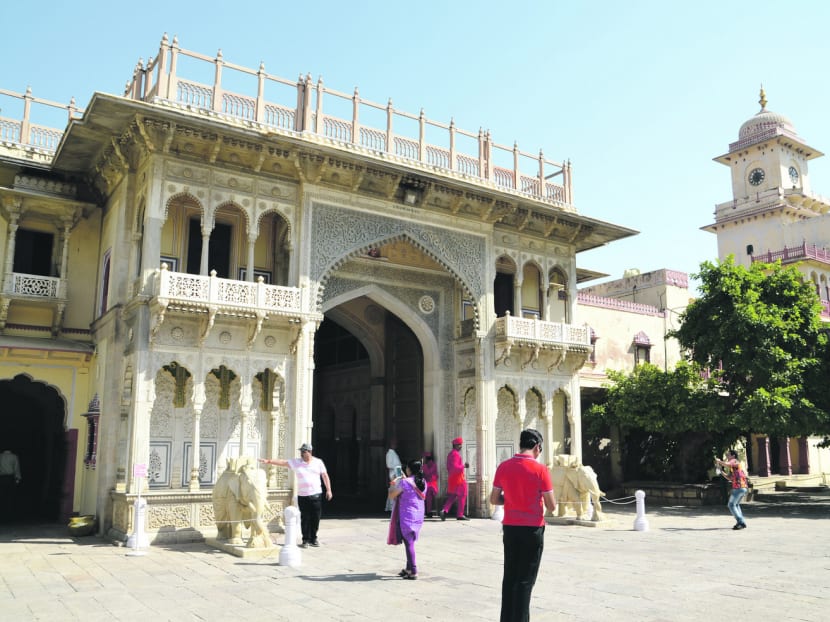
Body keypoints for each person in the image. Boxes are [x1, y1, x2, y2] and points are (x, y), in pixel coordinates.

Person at [490, 429, 557, 622]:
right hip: (532, 528)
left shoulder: (504, 467)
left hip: (510, 528)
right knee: (525, 580)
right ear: (537, 446)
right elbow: (552, 505)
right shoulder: (540, 470)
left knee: (510, 575)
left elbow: (494, 499)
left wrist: (511, 500)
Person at [260, 443, 332, 547]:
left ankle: (314, 539)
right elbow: (283, 462)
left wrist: (329, 490)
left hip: (316, 494)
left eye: (304, 451)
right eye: (301, 451)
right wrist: (269, 461)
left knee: (315, 518)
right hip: (303, 495)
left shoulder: (318, 462)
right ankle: (305, 540)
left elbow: (325, 476)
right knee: (305, 518)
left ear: (310, 452)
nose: (302, 454)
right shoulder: (297, 462)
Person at [387, 459, 426, 579]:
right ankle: (408, 568)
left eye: (407, 468)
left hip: (407, 516)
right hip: (418, 515)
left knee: (409, 543)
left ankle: (413, 571)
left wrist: (393, 483)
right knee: (410, 542)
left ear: (410, 469)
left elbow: (392, 495)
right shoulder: (423, 482)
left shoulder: (404, 483)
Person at [716, 449, 748, 530]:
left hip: (739, 487)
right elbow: (729, 478)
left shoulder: (734, 461)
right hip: (742, 488)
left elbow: (727, 463)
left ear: (733, 456)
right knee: (736, 505)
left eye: (728, 455)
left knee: (731, 505)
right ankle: (742, 522)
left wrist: (719, 461)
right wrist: (721, 471)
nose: (727, 456)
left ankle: (740, 522)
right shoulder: (733, 467)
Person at [441, 437, 469, 520]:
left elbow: (449, 467)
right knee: (463, 495)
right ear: (456, 445)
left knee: (452, 496)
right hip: (458, 479)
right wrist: (464, 466)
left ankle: (444, 510)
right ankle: (460, 514)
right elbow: (455, 468)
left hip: (452, 479)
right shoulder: (455, 454)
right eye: (460, 445)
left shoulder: (450, 454)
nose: (461, 446)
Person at [0, 449, 22, 523]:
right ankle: (9, 517)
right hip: (10, 478)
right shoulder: (14, 456)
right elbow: (16, 468)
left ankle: (2, 516)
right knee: (10, 497)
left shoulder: (0, 456)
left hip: (1, 478)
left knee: (2, 497)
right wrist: (17, 478)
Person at [385, 440, 402, 512]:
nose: (395, 445)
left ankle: (392, 506)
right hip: (394, 474)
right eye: (394, 444)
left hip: (397, 473)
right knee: (393, 490)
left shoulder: (394, 453)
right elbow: (389, 465)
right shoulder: (389, 454)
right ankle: (392, 507)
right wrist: (396, 468)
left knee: (396, 489)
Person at [422, 451, 439, 518]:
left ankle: (428, 511)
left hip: (428, 484)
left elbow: (426, 474)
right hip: (433, 484)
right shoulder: (434, 465)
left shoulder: (425, 466)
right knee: (430, 499)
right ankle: (430, 511)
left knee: (427, 499)